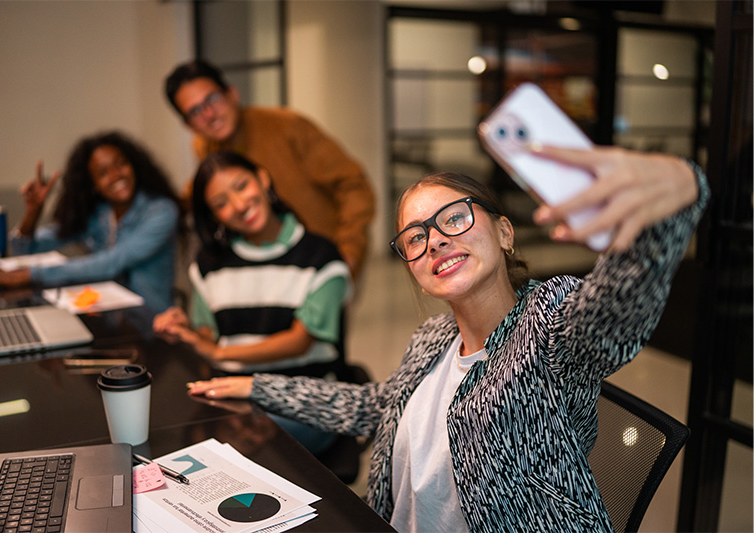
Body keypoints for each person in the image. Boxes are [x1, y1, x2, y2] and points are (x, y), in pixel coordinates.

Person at [186, 145, 709, 532]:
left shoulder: (548, 325)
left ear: (504, 232)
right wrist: (258, 387)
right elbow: (377, 407)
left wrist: (679, 190)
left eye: (454, 218)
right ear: (414, 269)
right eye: (416, 237)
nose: (435, 240)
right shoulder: (432, 338)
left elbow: (618, 307)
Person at [153, 150, 352, 454]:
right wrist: (185, 331)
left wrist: (219, 353)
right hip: (232, 399)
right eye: (221, 203)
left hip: (302, 399)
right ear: (213, 215)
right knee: (171, 430)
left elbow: (298, 343)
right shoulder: (208, 265)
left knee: (250, 447)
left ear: (263, 179)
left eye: (242, 186)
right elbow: (208, 336)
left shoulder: (321, 258)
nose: (238, 205)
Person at [164, 60, 375, 280]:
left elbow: (353, 185)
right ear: (187, 125)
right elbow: (197, 192)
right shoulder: (205, 146)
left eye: (212, 99)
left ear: (232, 94)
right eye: (195, 111)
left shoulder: (287, 126)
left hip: (323, 258)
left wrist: (349, 251)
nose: (209, 114)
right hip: (272, 265)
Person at [0, 131, 181, 314]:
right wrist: (32, 214)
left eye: (121, 164)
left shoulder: (161, 212)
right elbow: (27, 249)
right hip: (108, 315)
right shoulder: (100, 213)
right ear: (93, 185)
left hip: (153, 321)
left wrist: (30, 275)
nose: (116, 175)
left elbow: (110, 263)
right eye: (103, 173)